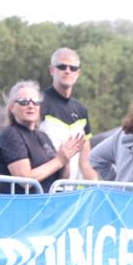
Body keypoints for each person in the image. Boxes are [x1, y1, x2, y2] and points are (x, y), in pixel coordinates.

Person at [0, 80, 83, 194]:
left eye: (35, 102)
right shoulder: (11, 135)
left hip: (45, 207)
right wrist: (59, 160)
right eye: (24, 101)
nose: (31, 106)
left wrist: (66, 159)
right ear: (12, 107)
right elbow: (25, 180)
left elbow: (62, 178)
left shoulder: (43, 136)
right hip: (22, 208)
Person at [39, 47, 97, 181]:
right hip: (43, 188)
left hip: (71, 193)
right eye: (62, 66)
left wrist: (96, 188)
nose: (67, 71)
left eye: (73, 68)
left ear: (78, 73)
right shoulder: (38, 103)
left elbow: (85, 162)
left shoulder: (81, 110)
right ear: (52, 70)